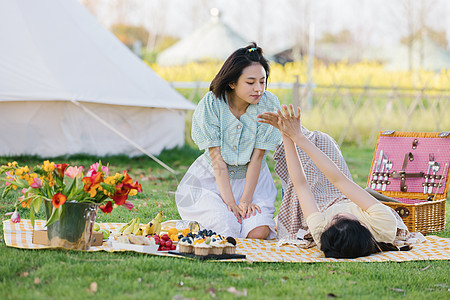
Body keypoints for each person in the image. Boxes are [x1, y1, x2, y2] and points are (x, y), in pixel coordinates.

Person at [258, 105, 424, 258]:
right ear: (363, 226)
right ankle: (305, 136)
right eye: (339, 217)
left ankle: (295, 133)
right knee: (322, 141)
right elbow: (338, 180)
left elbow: (301, 185)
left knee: (302, 170)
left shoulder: (322, 233)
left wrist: (286, 134)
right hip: (343, 194)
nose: (332, 217)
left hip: (319, 204)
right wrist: (299, 137)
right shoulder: (382, 222)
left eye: (331, 221)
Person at [175, 42, 282, 239]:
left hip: (253, 180)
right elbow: (216, 159)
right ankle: (216, 216)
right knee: (226, 228)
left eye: (262, 81)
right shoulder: (212, 104)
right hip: (211, 181)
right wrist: (231, 202)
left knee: (258, 232)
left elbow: (257, 158)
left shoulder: (269, 104)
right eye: (250, 83)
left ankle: (245, 219)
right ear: (232, 82)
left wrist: (245, 200)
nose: (258, 89)